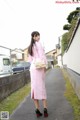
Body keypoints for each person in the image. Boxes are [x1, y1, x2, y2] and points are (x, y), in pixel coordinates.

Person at [28, 31, 48, 118]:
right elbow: (42, 56)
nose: (38, 37)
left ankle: (37, 110)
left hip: (33, 68)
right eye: (36, 36)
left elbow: (30, 60)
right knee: (41, 88)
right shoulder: (38, 44)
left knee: (34, 89)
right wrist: (45, 66)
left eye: (38, 35)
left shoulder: (30, 47)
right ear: (33, 37)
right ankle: (45, 110)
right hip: (39, 67)